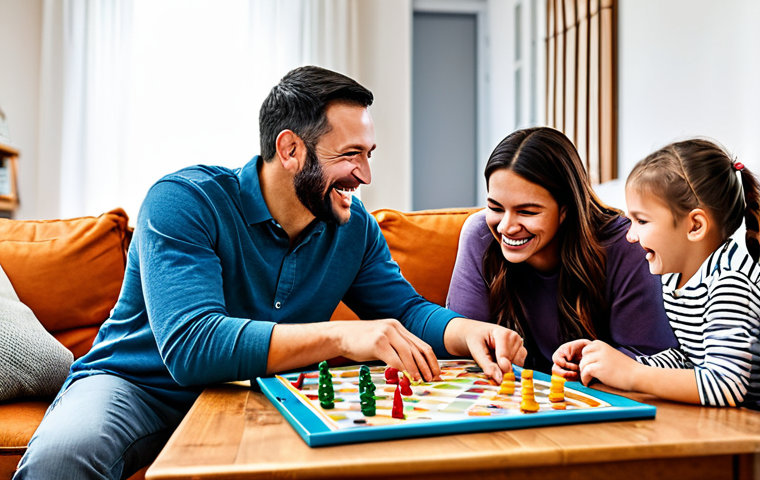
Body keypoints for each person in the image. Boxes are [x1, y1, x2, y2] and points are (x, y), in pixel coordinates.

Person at [14, 66, 526, 480]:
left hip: (265, 395)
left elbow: (406, 311)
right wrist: (344, 336)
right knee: (65, 456)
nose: (366, 176)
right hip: (137, 387)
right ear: (289, 149)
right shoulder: (183, 201)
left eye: (368, 156)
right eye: (349, 156)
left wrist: (468, 332)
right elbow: (194, 346)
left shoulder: (354, 227)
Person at [446, 127, 678, 374]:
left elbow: (650, 358)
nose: (506, 227)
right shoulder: (480, 234)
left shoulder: (625, 244)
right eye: (496, 207)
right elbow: (461, 345)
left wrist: (583, 368)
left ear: (566, 208)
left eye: (527, 212)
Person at [571, 139, 760, 410]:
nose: (630, 235)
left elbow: (725, 385)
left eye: (642, 221)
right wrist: (611, 363)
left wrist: (633, 375)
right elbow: (690, 361)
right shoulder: (675, 280)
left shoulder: (730, 284)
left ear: (695, 225)